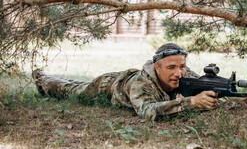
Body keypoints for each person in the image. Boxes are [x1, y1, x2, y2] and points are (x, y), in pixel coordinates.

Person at [32, 43, 218, 120]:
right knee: (71, 90)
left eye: (182, 66)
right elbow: (147, 110)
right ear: (157, 68)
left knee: (74, 83)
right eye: (171, 68)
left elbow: (204, 84)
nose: (179, 73)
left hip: (122, 81)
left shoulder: (183, 73)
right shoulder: (142, 83)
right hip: (108, 86)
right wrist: (191, 102)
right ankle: (42, 80)